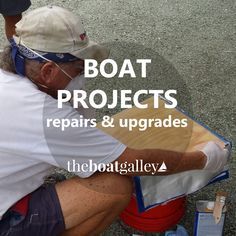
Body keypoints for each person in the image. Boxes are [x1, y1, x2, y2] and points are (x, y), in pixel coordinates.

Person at [0, 5, 229, 236]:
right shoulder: (43, 114)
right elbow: (133, 162)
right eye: (79, 70)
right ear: (48, 71)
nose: (83, 76)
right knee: (114, 187)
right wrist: (205, 158)